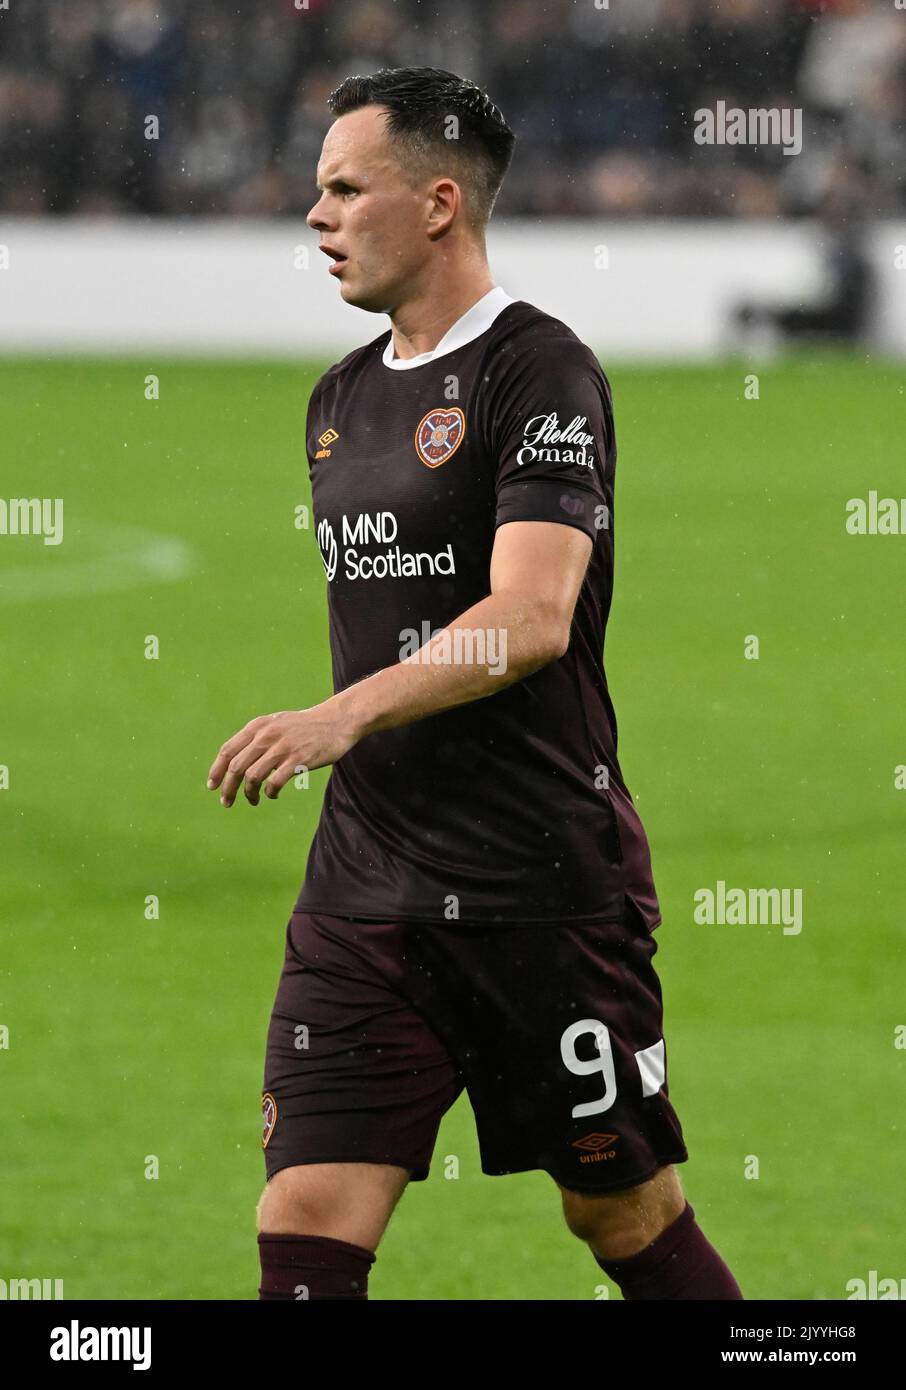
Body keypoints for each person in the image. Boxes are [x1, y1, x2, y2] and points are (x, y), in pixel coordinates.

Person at [207, 66, 743, 1302]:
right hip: (368, 885)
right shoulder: (338, 400)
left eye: (346, 187)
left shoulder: (539, 372)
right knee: (305, 1212)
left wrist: (339, 713)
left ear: (438, 202)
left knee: (621, 1210)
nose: (316, 213)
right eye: (316, 188)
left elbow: (533, 617)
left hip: (540, 887)